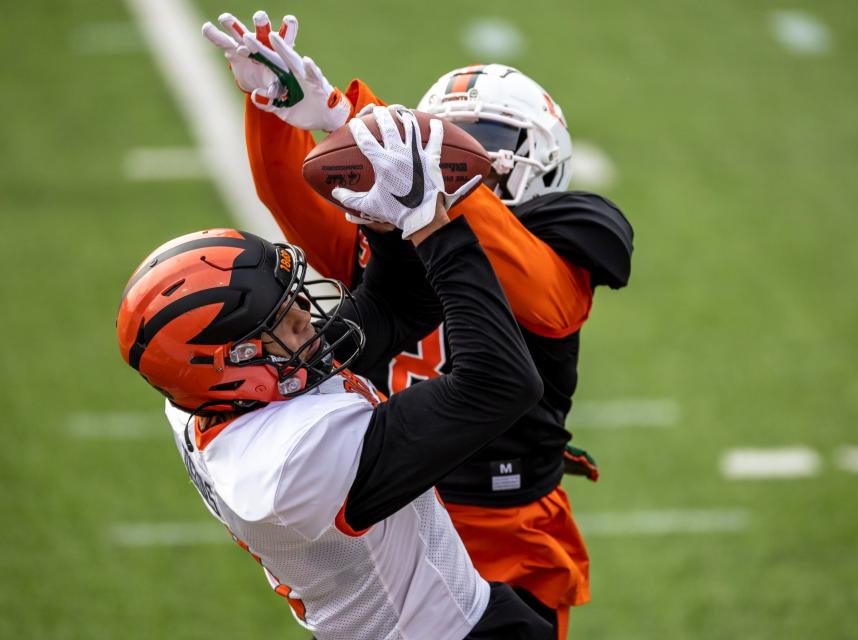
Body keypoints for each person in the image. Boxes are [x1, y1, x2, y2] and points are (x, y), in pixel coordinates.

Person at [202, 12, 634, 638]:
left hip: (505, 521)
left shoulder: (568, 235)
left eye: (486, 138)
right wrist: (277, 111)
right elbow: (292, 201)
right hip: (398, 505)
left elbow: (540, 297)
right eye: (451, 136)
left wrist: (366, 128)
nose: (470, 152)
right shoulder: (391, 226)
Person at [116, 108, 554, 639]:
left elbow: (394, 310)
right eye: (282, 321)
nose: (305, 315)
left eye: (291, 298)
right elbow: (501, 383)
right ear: (229, 366)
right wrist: (432, 227)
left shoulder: (208, 395)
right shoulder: (293, 464)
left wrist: (385, 223)